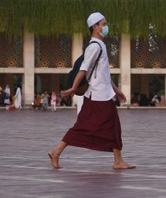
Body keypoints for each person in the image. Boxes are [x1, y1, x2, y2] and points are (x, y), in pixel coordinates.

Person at [48, 12, 135, 170]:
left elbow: (104, 73)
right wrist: (73, 89)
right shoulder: (94, 46)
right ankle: (56, 151)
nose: (106, 27)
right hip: (97, 96)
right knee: (86, 127)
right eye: (104, 24)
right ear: (95, 27)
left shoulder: (100, 45)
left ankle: (117, 160)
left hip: (102, 94)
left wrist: (116, 90)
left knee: (108, 125)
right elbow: (83, 69)